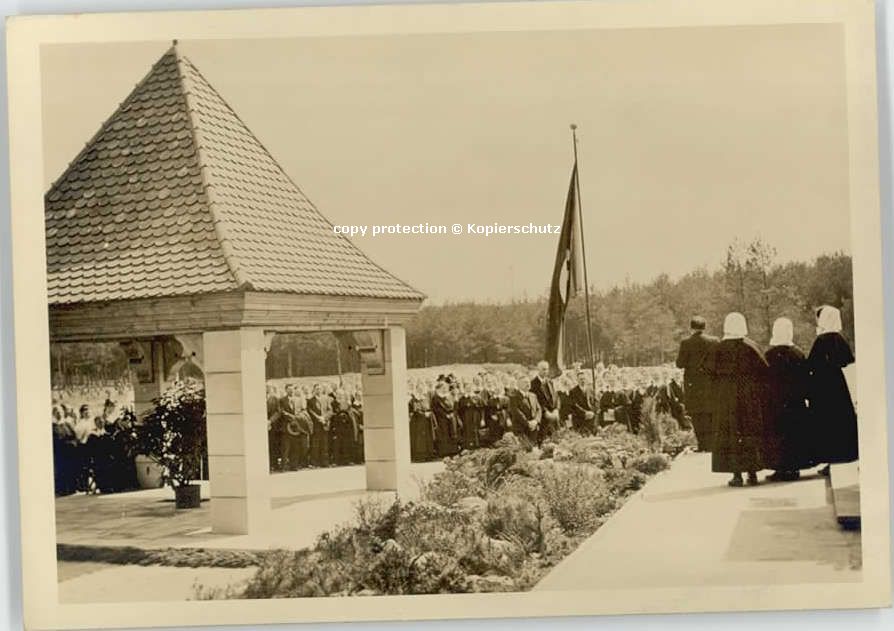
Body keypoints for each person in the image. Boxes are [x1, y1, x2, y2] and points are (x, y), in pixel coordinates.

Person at [704, 312, 768, 487]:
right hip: (748, 397)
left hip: (727, 398)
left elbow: (709, 372)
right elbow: (764, 371)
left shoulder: (718, 348)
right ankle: (753, 473)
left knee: (732, 433)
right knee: (749, 431)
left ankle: (737, 474)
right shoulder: (751, 346)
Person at [807, 305, 858, 473]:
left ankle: (830, 460)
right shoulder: (840, 339)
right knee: (839, 421)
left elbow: (811, 363)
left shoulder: (821, 340)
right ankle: (840, 457)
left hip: (822, 386)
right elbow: (847, 360)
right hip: (837, 384)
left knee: (826, 423)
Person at [763, 317, 810, 481]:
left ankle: (780, 468)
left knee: (778, 435)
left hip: (775, 403)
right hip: (794, 402)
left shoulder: (769, 355)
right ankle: (794, 467)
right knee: (795, 434)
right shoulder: (797, 353)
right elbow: (805, 379)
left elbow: (764, 380)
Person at [676, 315, 720, 451]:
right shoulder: (714, 341)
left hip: (693, 385)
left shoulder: (686, 343)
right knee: (711, 413)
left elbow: (679, 364)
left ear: (691, 328)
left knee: (697, 415)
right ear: (704, 327)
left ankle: (702, 445)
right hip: (711, 383)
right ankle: (712, 444)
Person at [509, 375, 542, 446]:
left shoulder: (533, 395)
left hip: (534, 428)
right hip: (521, 429)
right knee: (524, 450)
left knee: (533, 449)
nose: (528, 384)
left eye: (529, 382)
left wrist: (536, 421)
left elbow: (539, 409)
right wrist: (528, 423)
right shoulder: (513, 397)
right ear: (518, 385)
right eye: (525, 382)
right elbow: (516, 412)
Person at [530, 361, 559, 442]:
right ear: (538, 369)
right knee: (543, 439)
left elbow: (556, 397)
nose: (545, 371)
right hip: (542, 416)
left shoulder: (550, 382)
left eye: (547, 369)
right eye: (543, 369)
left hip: (553, 415)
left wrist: (556, 409)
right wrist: (545, 411)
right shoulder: (533, 384)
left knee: (555, 438)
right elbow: (535, 401)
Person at [432, 380, 462, 457]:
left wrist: (452, 414)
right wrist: (445, 415)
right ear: (439, 388)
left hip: (451, 418)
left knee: (452, 433)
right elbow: (436, 408)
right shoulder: (436, 397)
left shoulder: (450, 396)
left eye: (446, 387)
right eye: (443, 388)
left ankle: (453, 451)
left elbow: (454, 407)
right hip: (441, 418)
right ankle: (444, 452)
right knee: (444, 434)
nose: (445, 389)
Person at [409, 383, 435, 462]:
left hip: (426, 420)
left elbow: (429, 408)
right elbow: (414, 410)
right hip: (417, 421)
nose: (420, 390)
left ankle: (428, 455)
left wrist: (429, 413)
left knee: (427, 437)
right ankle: (420, 456)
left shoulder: (425, 398)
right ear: (416, 390)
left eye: (421, 389)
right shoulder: (413, 399)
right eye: (419, 389)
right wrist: (423, 414)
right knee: (419, 439)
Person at [308, 383, 332, 467]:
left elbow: (330, 410)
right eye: (316, 389)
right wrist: (318, 418)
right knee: (315, 444)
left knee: (325, 444)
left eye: (319, 388)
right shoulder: (310, 401)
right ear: (314, 390)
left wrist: (324, 418)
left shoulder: (326, 399)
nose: (318, 390)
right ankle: (315, 462)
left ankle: (325, 462)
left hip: (324, 424)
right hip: (316, 425)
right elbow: (310, 412)